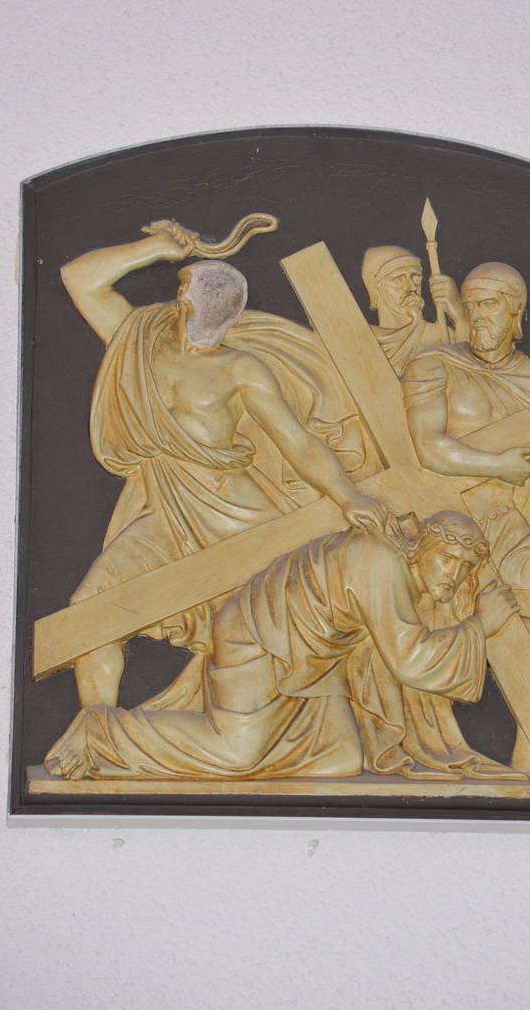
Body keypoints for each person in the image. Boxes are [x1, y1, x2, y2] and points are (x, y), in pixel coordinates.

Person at [61, 218, 388, 708]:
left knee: (300, 615)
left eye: (229, 309)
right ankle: (98, 728)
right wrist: (154, 249)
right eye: (209, 300)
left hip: (240, 517)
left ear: (235, 319)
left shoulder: (240, 368)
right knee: (90, 611)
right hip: (164, 517)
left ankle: (326, 718)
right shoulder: (139, 344)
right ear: (183, 300)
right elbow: (78, 278)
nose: (219, 315)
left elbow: (297, 442)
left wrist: (348, 496)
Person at [44, 512, 525, 783]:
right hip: (258, 638)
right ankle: (101, 732)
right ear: (421, 549)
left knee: (341, 760)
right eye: (448, 559)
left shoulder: (394, 565)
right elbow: (410, 659)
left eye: (466, 567)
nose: (454, 574)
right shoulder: (380, 561)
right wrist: (482, 625)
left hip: (312, 661)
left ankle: (257, 764)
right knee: (235, 754)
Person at [402, 262, 530, 779]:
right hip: (447, 524)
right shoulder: (433, 364)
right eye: (469, 305)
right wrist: (496, 465)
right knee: (475, 623)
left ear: (516, 313)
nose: (477, 316)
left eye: (489, 305)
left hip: (508, 520)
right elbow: (427, 447)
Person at [362, 245, 464, 373]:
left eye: (415, 277)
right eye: (398, 279)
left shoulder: (440, 334)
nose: (412, 287)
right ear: (375, 287)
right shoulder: (361, 340)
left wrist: (460, 316)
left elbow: (474, 378)